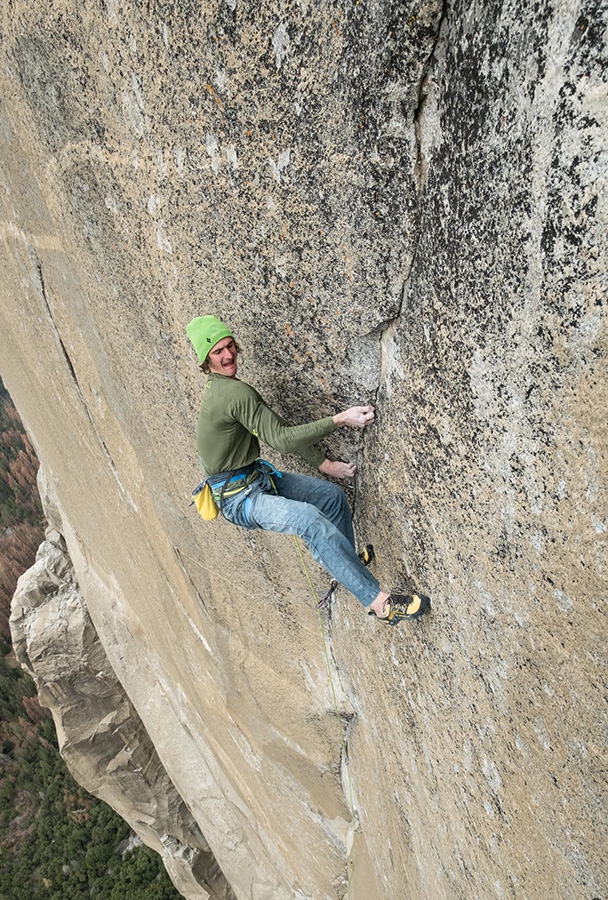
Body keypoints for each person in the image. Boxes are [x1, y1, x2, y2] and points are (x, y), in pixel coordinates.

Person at [187, 315, 430, 625]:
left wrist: (326, 466)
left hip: (255, 480)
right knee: (309, 520)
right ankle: (381, 604)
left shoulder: (233, 392)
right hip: (239, 499)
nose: (228, 355)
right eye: (218, 352)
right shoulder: (231, 395)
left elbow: (279, 431)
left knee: (331, 498)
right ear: (206, 362)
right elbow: (282, 440)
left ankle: (348, 565)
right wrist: (340, 419)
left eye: (230, 346)